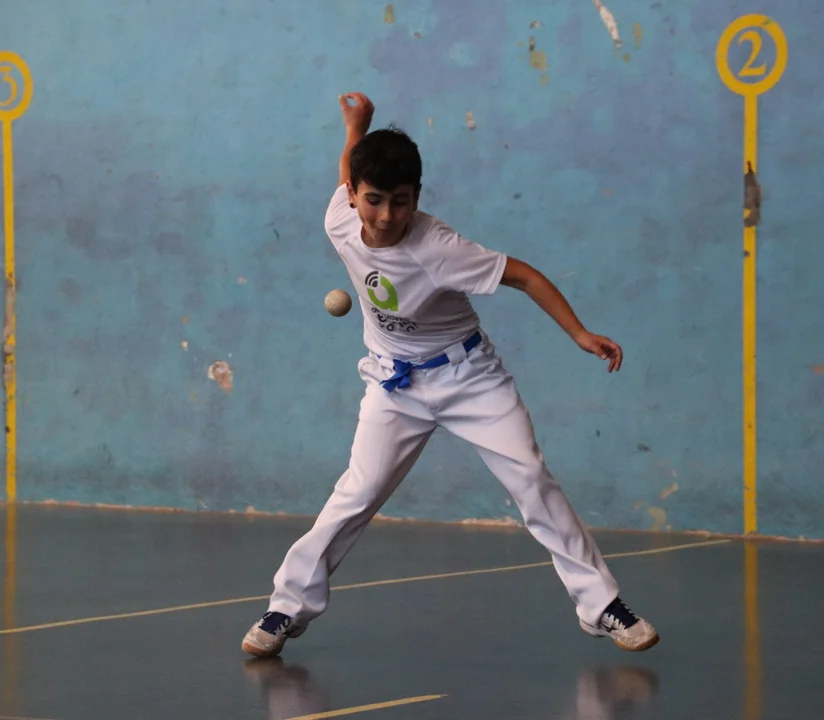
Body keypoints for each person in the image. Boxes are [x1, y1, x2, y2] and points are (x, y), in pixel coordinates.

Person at [241, 92, 658, 658]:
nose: (385, 216)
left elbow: (525, 277)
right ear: (354, 195)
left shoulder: (440, 248)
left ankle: (601, 604)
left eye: (401, 202)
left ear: (417, 196)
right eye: (373, 200)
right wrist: (357, 125)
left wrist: (579, 333)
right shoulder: (339, 218)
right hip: (394, 384)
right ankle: (287, 607)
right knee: (357, 491)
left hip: (469, 379)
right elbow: (348, 168)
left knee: (531, 478)